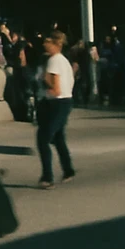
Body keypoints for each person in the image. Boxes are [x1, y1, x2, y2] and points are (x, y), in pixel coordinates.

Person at [35, 31, 76, 189]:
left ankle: (47, 177)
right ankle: (68, 170)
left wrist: (44, 83)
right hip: (65, 102)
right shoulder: (64, 61)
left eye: (47, 42)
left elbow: (55, 89)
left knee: (43, 139)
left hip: (56, 103)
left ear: (55, 44)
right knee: (58, 138)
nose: (44, 44)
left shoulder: (53, 61)